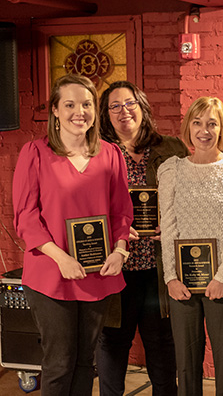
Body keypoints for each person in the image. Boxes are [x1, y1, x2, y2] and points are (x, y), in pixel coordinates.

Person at [12, 74, 133, 395]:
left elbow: (122, 211)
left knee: (85, 363)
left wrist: (120, 250)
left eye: (87, 104)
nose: (79, 112)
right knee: (60, 363)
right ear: (54, 110)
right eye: (69, 104)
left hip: (96, 273)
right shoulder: (35, 153)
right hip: (51, 273)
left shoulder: (110, 154)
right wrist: (61, 258)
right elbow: (25, 217)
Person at [159, 96, 223, 396]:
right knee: (187, 364)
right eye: (198, 122)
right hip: (182, 284)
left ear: (221, 129)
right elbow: (169, 226)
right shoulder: (172, 170)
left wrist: (221, 276)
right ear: (188, 127)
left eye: (212, 123)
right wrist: (170, 277)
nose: (204, 130)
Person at [95, 81, 189, 396]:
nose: (124, 111)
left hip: (159, 268)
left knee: (162, 342)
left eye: (130, 103)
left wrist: (176, 222)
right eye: (115, 106)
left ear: (142, 106)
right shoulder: (97, 153)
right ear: (105, 115)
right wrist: (113, 228)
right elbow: (85, 206)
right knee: (112, 343)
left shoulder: (170, 148)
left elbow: (192, 197)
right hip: (115, 267)